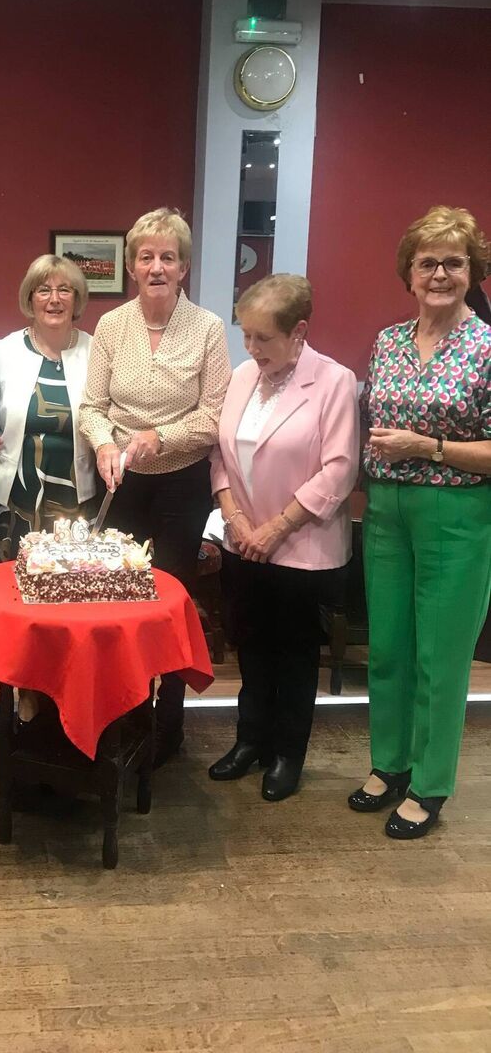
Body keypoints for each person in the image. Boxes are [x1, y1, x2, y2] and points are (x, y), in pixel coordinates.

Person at [350, 205, 491, 839]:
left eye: (453, 263)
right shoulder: (388, 341)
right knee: (388, 649)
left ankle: (429, 783)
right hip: (386, 511)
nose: (439, 274)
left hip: (456, 513)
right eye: (428, 262)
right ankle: (390, 762)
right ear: (409, 272)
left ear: (472, 272)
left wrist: (428, 448)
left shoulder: (487, 347)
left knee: (439, 656)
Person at [79, 207, 231, 766]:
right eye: (147, 256)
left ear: (184, 267)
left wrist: (158, 437)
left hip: (181, 485)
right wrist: (103, 444)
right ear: (130, 266)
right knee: (117, 600)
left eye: (168, 257)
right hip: (122, 483)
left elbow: (213, 415)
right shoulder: (112, 327)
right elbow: (93, 407)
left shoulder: (209, 329)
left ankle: (168, 722)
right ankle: (122, 710)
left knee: (167, 603)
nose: (157, 266)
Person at [209, 275, 358, 801]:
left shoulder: (335, 382)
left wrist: (274, 528)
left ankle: (286, 756)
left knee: (294, 660)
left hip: (302, 549)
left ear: (299, 331)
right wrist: (235, 519)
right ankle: (249, 742)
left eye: (263, 338)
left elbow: (339, 471)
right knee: (251, 650)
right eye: (245, 336)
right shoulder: (244, 376)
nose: (251, 349)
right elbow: (221, 455)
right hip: (243, 542)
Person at [0, 254, 96, 722]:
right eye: (43, 290)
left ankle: (68, 696)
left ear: (78, 300)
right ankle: (24, 694)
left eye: (65, 290)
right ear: (29, 299)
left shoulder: (97, 351)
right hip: (15, 502)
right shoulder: (2, 350)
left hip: (75, 504)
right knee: (20, 609)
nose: (54, 299)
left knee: (70, 607)